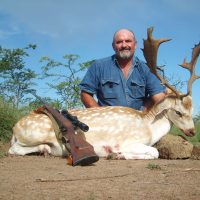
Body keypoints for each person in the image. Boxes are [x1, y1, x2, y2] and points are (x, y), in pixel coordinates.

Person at [79, 29, 166, 111]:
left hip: (138, 121)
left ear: (135, 45)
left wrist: (142, 113)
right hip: (107, 123)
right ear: (113, 46)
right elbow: (85, 94)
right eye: (119, 42)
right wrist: (100, 116)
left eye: (128, 41)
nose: (124, 45)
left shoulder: (146, 69)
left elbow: (158, 96)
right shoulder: (98, 66)